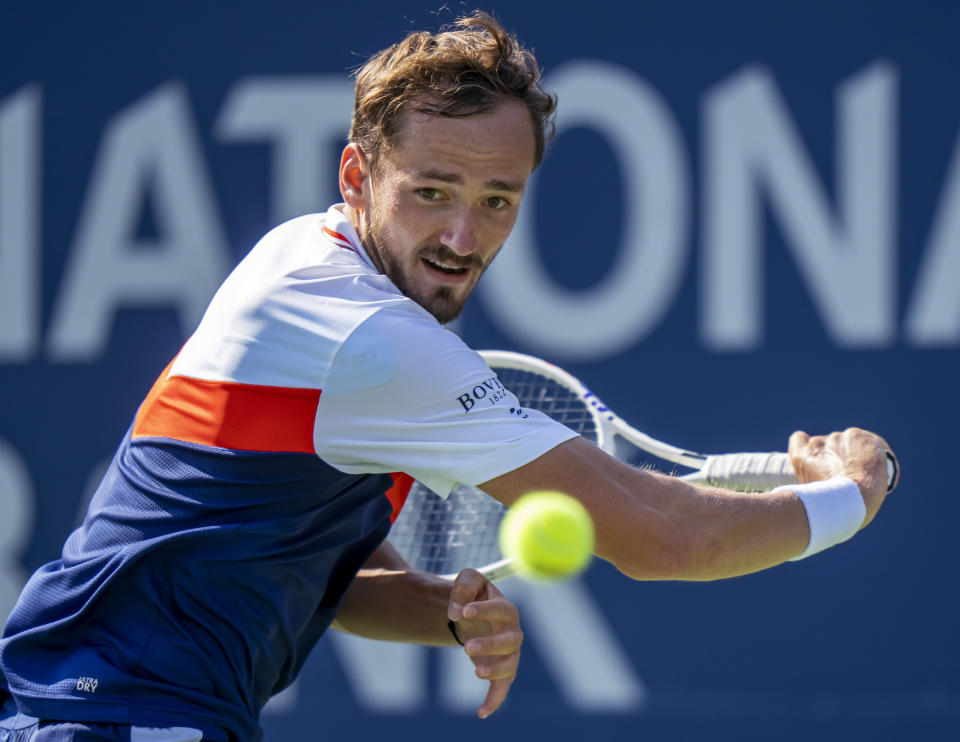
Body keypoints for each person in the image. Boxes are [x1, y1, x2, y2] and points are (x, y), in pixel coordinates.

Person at [0, 10, 897, 742]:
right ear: (358, 174)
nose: (463, 240)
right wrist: (852, 497)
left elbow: (323, 578)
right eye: (432, 191)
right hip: (122, 713)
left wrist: (441, 610)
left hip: (95, 708)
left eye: (496, 201)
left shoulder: (303, 258)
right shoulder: (373, 339)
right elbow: (662, 535)